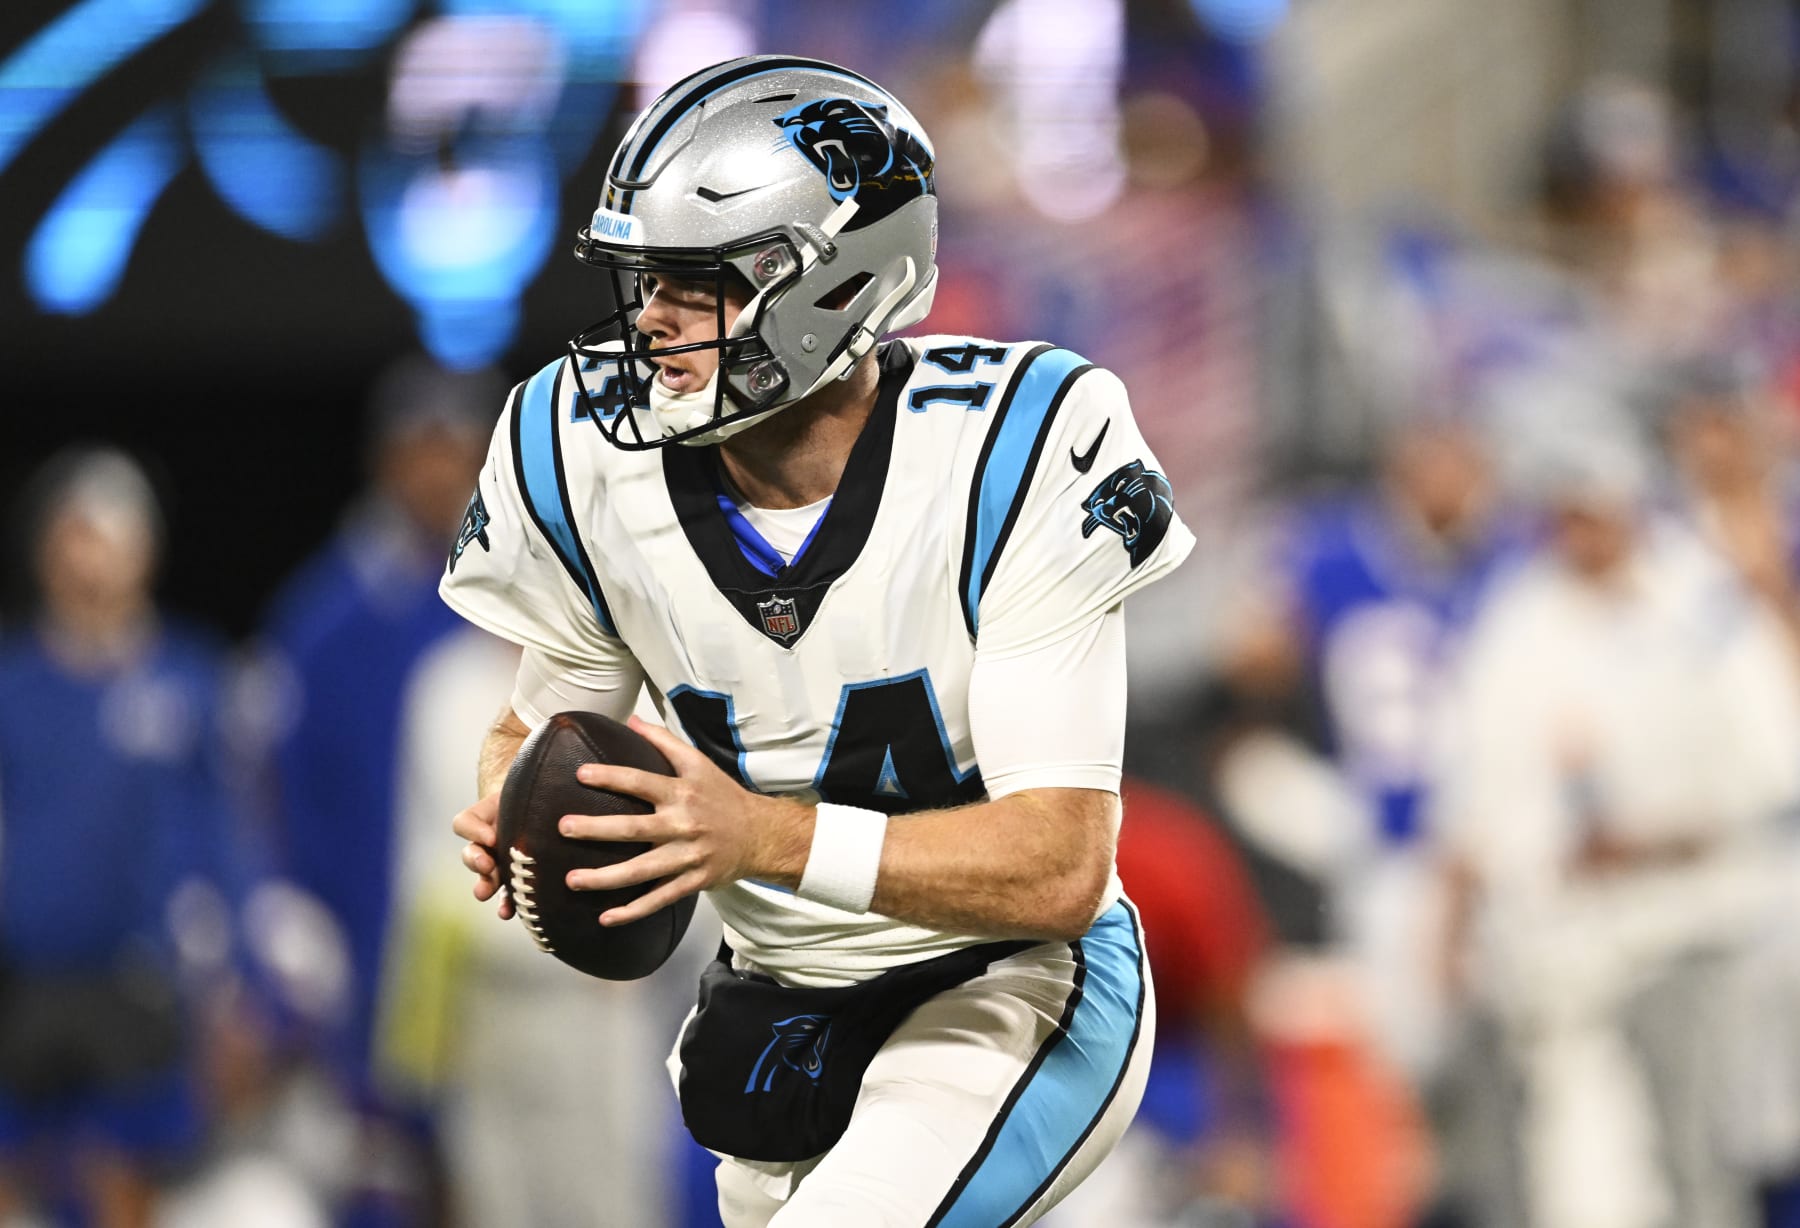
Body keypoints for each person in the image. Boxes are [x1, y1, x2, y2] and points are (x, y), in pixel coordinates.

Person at [443, 55, 1194, 1227]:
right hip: (775, 1011)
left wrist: (761, 834)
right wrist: (522, 805)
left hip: (1008, 987)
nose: (651, 319)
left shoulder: (1022, 446)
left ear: (838, 286)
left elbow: (1059, 869)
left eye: (698, 283)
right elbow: (542, 725)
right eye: (645, 280)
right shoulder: (578, 447)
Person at [0, 449, 247, 1228]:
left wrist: (237, 976)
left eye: (108, 535)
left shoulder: (190, 678)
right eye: (74, 535)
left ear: (144, 551)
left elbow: (231, 832)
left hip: (145, 982)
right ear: (44, 549)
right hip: (22, 978)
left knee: (125, 1182)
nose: (90, 557)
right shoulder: (11, 687)